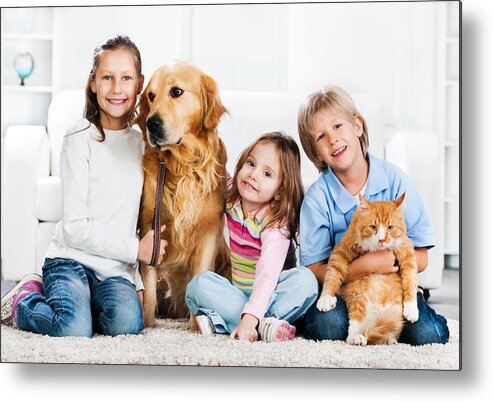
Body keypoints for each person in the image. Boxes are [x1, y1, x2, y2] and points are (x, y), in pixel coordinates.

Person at [1, 35, 167, 337]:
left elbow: (136, 221)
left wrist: (138, 282)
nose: (117, 88)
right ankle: (25, 300)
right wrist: (135, 250)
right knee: (73, 327)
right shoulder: (79, 138)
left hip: (115, 271)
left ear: (140, 83)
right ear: (93, 83)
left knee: (128, 324)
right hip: (70, 260)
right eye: (107, 77)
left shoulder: (142, 143)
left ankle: (84, 303)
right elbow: (76, 228)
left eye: (126, 78)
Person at [296, 86, 449, 345]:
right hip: (348, 292)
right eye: (321, 136)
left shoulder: (394, 180)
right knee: (327, 327)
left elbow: (422, 257)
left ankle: (395, 320)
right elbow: (313, 270)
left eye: (338, 127)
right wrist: (362, 267)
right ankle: (363, 325)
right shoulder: (317, 198)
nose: (333, 139)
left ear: (357, 126)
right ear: (315, 152)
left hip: (394, 290)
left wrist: (391, 260)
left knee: (428, 335)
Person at [185, 132, 318, 342]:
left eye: (267, 174)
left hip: (272, 296)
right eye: (250, 163)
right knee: (198, 284)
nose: (253, 174)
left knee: (306, 282)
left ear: (280, 192)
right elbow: (216, 167)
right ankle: (264, 325)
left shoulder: (276, 223)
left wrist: (251, 317)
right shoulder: (232, 198)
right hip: (238, 296)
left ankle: (227, 322)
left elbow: (267, 272)